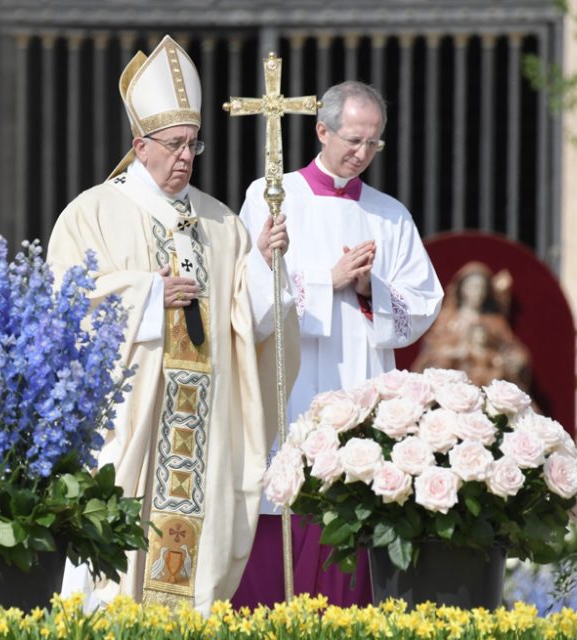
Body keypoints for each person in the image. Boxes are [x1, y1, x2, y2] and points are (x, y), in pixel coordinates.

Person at [47, 35, 298, 614]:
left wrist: (263, 262)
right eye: (173, 145)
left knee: (194, 584)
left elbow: (249, 324)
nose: (185, 156)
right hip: (131, 425)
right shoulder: (92, 214)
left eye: (194, 145)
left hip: (203, 430)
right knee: (114, 579)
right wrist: (146, 294)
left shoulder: (222, 222)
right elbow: (67, 305)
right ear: (139, 145)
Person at [233, 81, 444, 608]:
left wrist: (373, 288)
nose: (362, 153)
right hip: (293, 388)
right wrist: (330, 280)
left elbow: (424, 303)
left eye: (374, 143)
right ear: (321, 130)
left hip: (361, 387)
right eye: (353, 139)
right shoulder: (270, 196)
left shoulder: (390, 215)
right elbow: (250, 297)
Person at [412, 262, 531, 388]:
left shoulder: (495, 321)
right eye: (473, 287)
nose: (478, 293)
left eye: (482, 288)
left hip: (487, 378)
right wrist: (453, 353)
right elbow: (431, 350)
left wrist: (515, 358)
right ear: (462, 289)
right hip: (453, 379)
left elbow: (510, 347)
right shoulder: (448, 319)